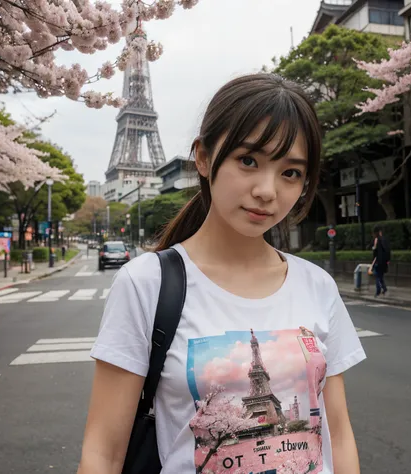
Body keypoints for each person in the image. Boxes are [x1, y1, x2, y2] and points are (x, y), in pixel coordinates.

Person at [78, 73, 366, 474]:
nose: (267, 190)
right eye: (248, 161)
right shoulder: (147, 283)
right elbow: (103, 452)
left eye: (291, 173)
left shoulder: (317, 285)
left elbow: (339, 431)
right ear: (204, 158)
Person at [371, 225, 391, 297]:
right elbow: (387, 250)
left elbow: (375, 252)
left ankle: (378, 291)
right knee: (381, 276)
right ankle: (384, 289)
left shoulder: (376, 240)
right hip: (383, 261)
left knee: (377, 277)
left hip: (377, 261)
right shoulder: (384, 240)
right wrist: (388, 260)